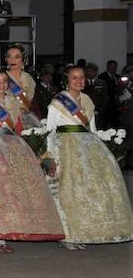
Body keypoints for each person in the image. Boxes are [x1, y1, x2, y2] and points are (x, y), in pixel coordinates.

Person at [0, 69, 63, 253]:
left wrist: (23, 151)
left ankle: (9, 229)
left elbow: (17, 129)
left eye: (4, 81)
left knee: (13, 192)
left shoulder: (14, 104)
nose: (1, 84)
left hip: (14, 148)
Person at [45, 65, 133, 247]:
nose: (79, 81)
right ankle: (68, 235)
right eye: (74, 77)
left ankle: (88, 231)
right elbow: (49, 131)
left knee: (91, 191)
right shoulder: (58, 102)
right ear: (66, 80)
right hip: (66, 146)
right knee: (69, 191)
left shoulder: (87, 100)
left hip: (88, 146)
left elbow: (92, 130)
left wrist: (104, 150)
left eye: (82, 77)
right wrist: (50, 155)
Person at [3, 45, 40, 126]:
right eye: (9, 57)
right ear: (6, 59)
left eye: (17, 57)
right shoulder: (1, 77)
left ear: (23, 60)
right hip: (5, 118)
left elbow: (32, 102)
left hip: (25, 120)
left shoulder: (29, 79)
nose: (13, 60)